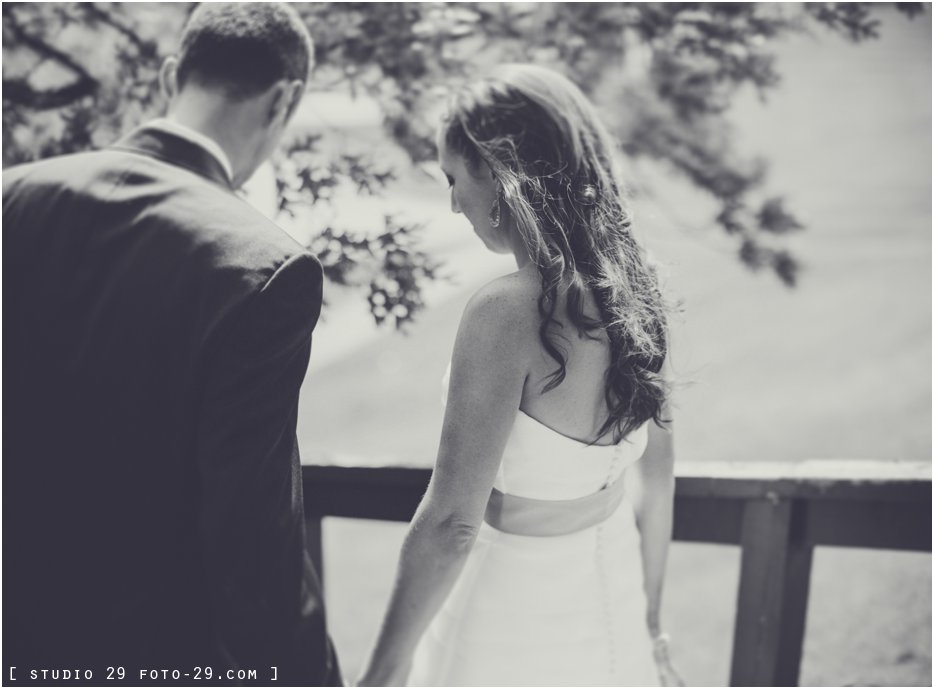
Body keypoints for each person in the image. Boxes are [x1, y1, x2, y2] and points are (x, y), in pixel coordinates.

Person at [3, 4, 340, 684]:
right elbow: (253, 534)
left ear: (168, 77)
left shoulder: (12, 198)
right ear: (285, 99)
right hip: (152, 651)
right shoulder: (263, 266)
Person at [357, 63, 677, 686]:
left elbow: (452, 523)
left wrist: (380, 675)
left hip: (509, 618)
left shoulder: (504, 312)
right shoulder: (641, 291)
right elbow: (658, 478)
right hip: (616, 600)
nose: (453, 203)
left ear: (500, 172)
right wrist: (650, 620)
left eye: (453, 178)